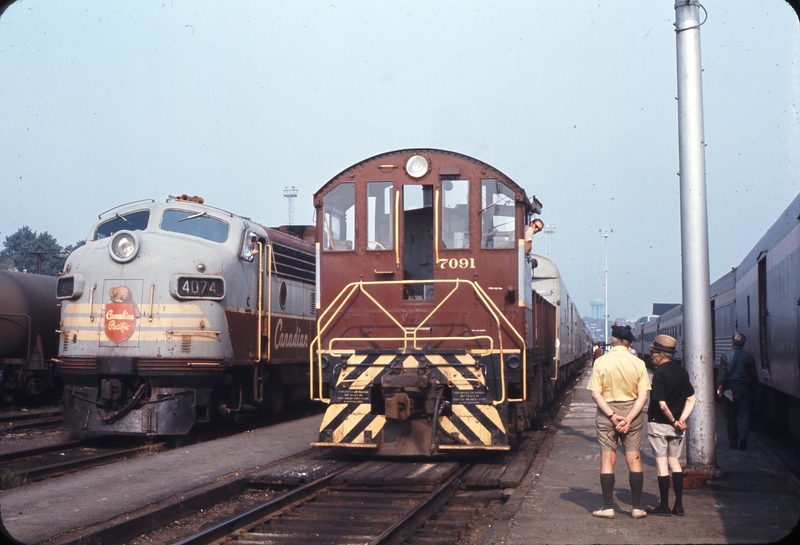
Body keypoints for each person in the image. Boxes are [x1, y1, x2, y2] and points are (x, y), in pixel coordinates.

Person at [587, 324, 651, 519]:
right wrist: (629, 417)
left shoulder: (601, 362)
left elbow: (595, 394)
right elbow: (643, 396)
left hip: (608, 414)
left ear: (611, 340)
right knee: (634, 458)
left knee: (608, 459)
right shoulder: (638, 363)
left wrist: (613, 415)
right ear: (630, 343)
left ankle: (608, 507)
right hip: (633, 413)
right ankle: (637, 508)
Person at [645, 334, 696, 517]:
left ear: (661, 354)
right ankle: (679, 506)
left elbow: (662, 404)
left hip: (659, 425)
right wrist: (682, 419)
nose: (651, 355)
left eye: (653, 352)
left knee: (661, 463)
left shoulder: (659, 374)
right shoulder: (682, 372)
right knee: (675, 462)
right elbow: (691, 398)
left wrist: (673, 421)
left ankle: (664, 506)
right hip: (677, 429)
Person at [716, 332, 759, 450]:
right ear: (743, 344)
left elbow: (721, 375)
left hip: (730, 390)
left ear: (732, 342)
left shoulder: (725, 356)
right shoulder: (749, 357)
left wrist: (720, 388)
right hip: (745, 389)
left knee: (731, 415)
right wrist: (755, 389)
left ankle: (733, 442)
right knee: (744, 415)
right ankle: (743, 439)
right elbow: (753, 376)